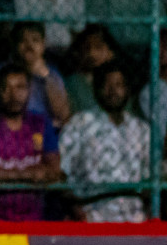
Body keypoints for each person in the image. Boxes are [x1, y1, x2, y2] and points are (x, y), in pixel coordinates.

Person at [0, 63, 62, 221]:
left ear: (29, 90)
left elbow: (54, 169)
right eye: (6, 88)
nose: (13, 95)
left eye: (20, 87)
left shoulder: (40, 123)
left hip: (34, 219)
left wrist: (0, 174)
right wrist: (27, 174)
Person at [59, 60, 152, 223]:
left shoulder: (142, 129)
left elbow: (151, 179)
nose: (113, 91)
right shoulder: (79, 124)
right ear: (96, 89)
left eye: (118, 85)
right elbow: (61, 174)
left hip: (135, 219)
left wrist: (149, 214)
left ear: (128, 89)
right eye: (106, 85)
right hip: (93, 216)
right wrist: (78, 211)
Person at [9, 21, 70, 124]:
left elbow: (62, 115)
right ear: (15, 44)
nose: (29, 45)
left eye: (35, 40)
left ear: (43, 44)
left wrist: (45, 76)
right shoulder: (4, 72)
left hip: (45, 129)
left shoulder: (53, 74)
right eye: (23, 41)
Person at [63, 24, 122, 116]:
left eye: (98, 47)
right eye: (86, 48)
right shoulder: (74, 83)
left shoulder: (119, 80)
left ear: (110, 52)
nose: (92, 53)